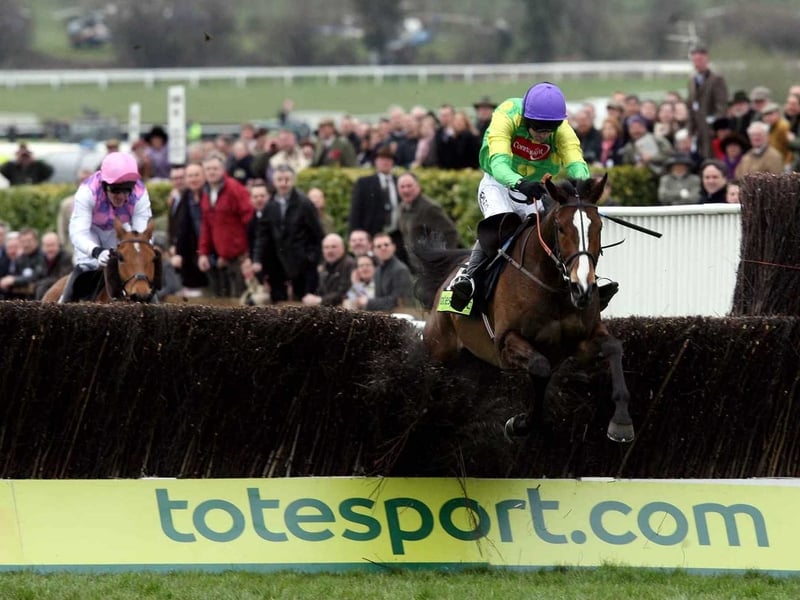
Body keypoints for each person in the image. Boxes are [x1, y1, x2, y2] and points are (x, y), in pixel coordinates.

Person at [449, 81, 604, 312]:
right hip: (498, 184)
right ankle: (467, 277)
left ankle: (578, 283)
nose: (543, 136)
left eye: (548, 130)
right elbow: (499, 163)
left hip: (534, 191)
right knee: (500, 225)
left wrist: (582, 190)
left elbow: (576, 162)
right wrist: (519, 183)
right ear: (527, 120)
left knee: (555, 233)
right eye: (539, 129)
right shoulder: (506, 115)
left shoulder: (561, 128)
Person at [59, 152, 152, 303]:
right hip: (91, 231)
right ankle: (63, 306)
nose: (121, 196)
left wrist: (136, 253)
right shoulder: (87, 192)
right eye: (115, 189)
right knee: (84, 266)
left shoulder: (140, 194)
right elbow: (78, 233)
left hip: (120, 231)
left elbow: (141, 235)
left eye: (127, 189)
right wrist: (96, 251)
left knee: (143, 268)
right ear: (104, 185)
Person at [252, 164, 325, 302]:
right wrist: (257, 259)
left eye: (287, 179)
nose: (283, 183)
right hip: (278, 261)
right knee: (278, 301)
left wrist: (312, 257)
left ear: (293, 181)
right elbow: (262, 234)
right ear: (274, 182)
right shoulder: (271, 204)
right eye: (279, 179)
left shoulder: (304, 203)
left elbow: (317, 233)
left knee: (302, 301)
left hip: (302, 262)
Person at [197, 152, 254, 299]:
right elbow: (206, 226)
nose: (212, 172)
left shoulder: (235, 189)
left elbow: (251, 221)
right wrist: (203, 253)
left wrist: (250, 255)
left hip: (241, 258)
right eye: (208, 169)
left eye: (215, 168)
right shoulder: (206, 193)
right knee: (223, 301)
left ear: (223, 170)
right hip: (222, 258)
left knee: (240, 303)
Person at [396, 172, 460, 254]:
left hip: (431, 263)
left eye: (409, 186)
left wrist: (443, 259)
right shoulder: (402, 208)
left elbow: (451, 233)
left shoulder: (429, 208)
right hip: (414, 263)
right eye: (402, 187)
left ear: (418, 187)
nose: (406, 190)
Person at [170, 162, 208, 295]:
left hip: (211, 253)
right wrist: (178, 252)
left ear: (204, 176)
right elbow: (182, 228)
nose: (193, 179)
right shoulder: (186, 197)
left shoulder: (209, 195)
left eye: (196, 175)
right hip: (193, 255)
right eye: (190, 176)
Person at [686, 45, 729, 159]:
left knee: (714, 158)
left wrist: (715, 127)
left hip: (711, 130)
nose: (697, 63)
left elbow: (721, 106)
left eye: (700, 60)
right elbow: (690, 107)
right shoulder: (692, 81)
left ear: (707, 59)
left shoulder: (716, 80)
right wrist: (690, 131)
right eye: (694, 60)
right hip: (698, 130)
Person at [348, 145, 399, 239]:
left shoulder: (399, 182)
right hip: (370, 235)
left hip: (396, 235)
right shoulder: (364, 183)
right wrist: (355, 235)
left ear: (393, 162)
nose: (385, 162)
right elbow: (356, 210)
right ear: (376, 161)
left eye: (388, 159)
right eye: (382, 159)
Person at [354, 232, 413, 312]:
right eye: (379, 246)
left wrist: (368, 302)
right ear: (373, 250)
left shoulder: (400, 270)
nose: (383, 248)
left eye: (386, 245)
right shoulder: (378, 270)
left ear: (393, 247)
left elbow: (397, 302)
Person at [301, 233, 356, 307]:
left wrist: (320, 300)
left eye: (334, 247)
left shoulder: (349, 264)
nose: (330, 251)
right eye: (326, 247)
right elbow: (320, 290)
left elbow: (344, 292)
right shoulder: (323, 265)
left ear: (343, 248)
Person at [0, 227, 45, 299]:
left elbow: (36, 277)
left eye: (29, 241)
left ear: (36, 241)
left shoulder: (43, 256)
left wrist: (14, 280)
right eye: (23, 241)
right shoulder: (22, 258)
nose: (26, 244)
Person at [34, 231, 73, 300]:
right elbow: (36, 276)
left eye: (52, 245)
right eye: (47, 246)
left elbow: (63, 278)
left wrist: (43, 282)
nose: (50, 249)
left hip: (62, 293)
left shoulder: (66, 257)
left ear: (58, 245)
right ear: (43, 247)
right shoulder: (41, 258)